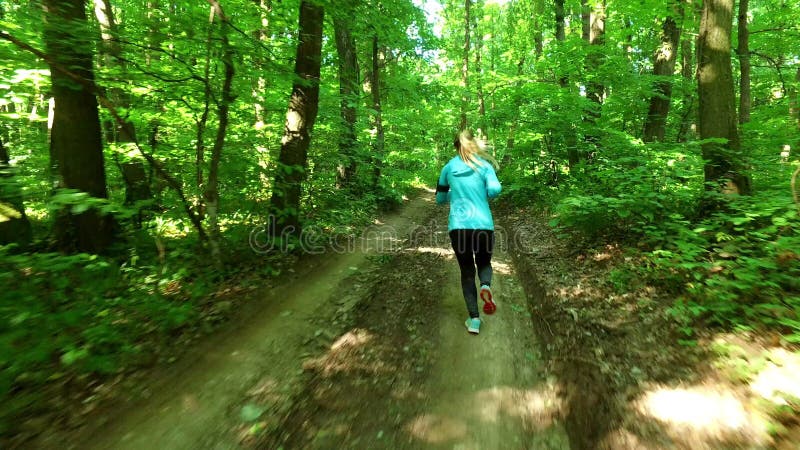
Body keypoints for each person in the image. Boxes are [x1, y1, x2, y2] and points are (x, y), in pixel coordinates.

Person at [435, 130, 502, 334]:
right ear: (474, 145)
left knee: (466, 272)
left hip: (459, 228)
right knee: (484, 262)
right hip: (483, 226)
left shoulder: (448, 168)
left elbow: (439, 199)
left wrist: (455, 193)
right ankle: (486, 285)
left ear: (456, 147)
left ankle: (474, 320)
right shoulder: (485, 166)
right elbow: (495, 190)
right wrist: (483, 190)